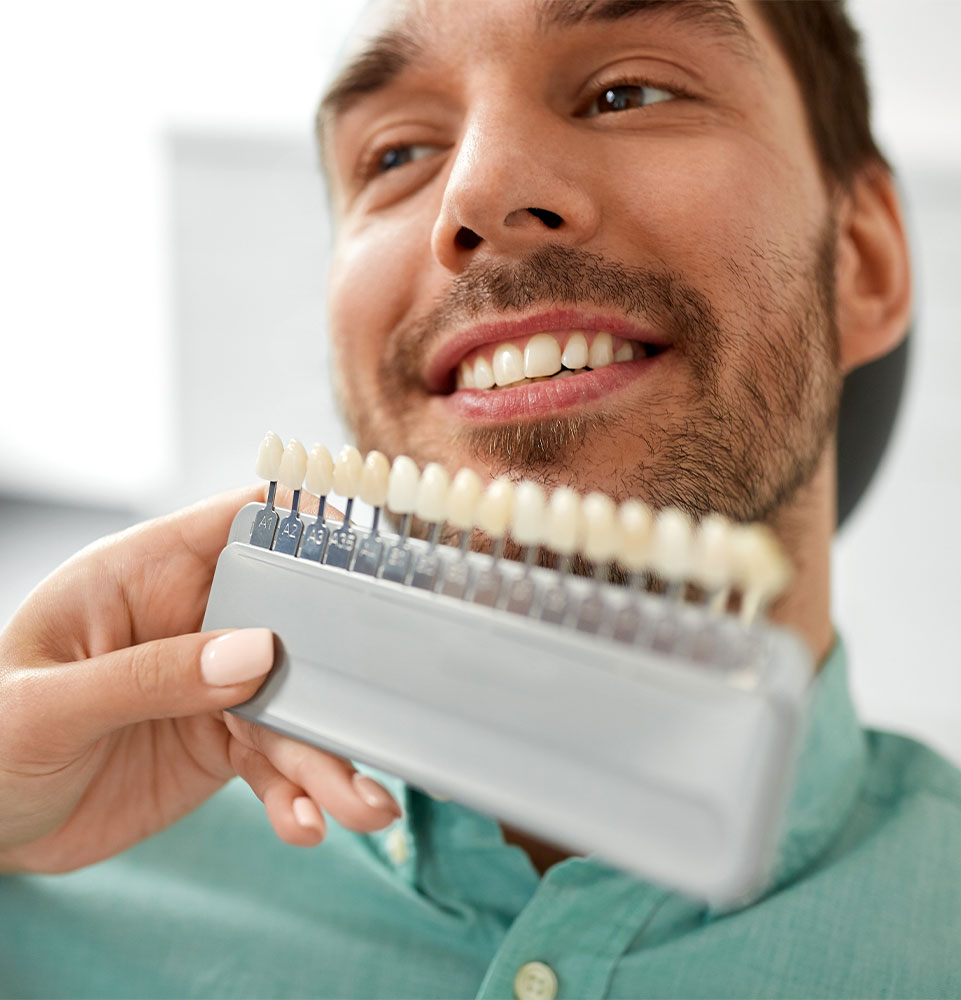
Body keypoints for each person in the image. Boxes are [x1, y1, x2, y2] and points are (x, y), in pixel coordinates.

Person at [1, 1, 959, 997]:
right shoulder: (42, 850)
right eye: (395, 154)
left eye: (627, 92)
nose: (479, 190)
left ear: (863, 260)